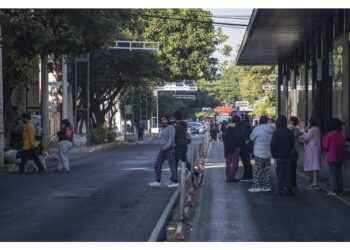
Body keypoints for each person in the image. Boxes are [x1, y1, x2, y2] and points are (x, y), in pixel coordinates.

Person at [173, 111, 203, 184]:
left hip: (179, 145)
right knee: (185, 162)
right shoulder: (183, 125)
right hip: (184, 144)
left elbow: (172, 136)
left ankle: (174, 181)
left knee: (174, 162)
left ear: (175, 117)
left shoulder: (177, 126)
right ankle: (197, 174)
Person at [149, 115, 178, 188]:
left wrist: (166, 146)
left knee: (172, 165)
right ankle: (157, 181)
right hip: (163, 149)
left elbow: (171, 139)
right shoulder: (163, 128)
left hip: (170, 148)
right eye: (161, 120)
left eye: (164, 119)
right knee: (157, 164)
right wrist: (162, 146)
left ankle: (175, 181)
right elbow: (162, 139)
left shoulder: (171, 127)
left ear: (167, 120)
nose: (163, 121)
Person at [248, 116, 275, 192]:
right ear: (266, 121)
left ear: (260, 121)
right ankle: (266, 186)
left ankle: (256, 186)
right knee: (267, 170)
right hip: (268, 152)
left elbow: (251, 138)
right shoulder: (271, 129)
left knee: (258, 170)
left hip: (259, 153)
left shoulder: (257, 129)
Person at [270, 115, 295, 196]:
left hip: (279, 156)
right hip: (288, 155)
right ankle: (289, 189)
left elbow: (273, 145)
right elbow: (292, 144)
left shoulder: (276, 132)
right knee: (288, 173)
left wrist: (274, 155)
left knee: (280, 173)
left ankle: (280, 189)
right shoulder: (289, 132)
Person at [322, 118, 346, 196]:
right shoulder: (340, 134)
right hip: (340, 155)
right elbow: (343, 144)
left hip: (331, 156)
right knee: (339, 173)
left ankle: (334, 190)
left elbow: (325, 145)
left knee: (333, 174)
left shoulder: (329, 134)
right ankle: (340, 189)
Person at [301, 116, 321, 189]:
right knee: (314, 166)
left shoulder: (312, 130)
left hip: (312, 150)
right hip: (316, 149)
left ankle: (314, 183)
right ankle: (314, 183)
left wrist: (305, 130)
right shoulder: (317, 129)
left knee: (313, 166)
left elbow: (306, 137)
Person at [224, 116, 243, 182]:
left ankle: (228, 178)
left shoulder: (227, 127)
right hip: (236, 146)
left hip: (228, 146)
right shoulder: (239, 127)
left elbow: (224, 136)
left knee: (228, 163)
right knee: (235, 163)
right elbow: (240, 137)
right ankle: (232, 178)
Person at [239, 115, 253, 181]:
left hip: (244, 145)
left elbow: (241, 134)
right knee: (246, 161)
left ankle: (248, 176)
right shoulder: (247, 125)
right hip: (246, 144)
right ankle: (247, 175)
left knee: (245, 161)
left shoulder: (243, 125)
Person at [288, 116, 300, 188]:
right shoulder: (294, 129)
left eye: (289, 120)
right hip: (294, 150)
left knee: (292, 167)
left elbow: (294, 136)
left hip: (293, 150)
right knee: (292, 167)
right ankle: (292, 182)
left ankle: (292, 182)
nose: (288, 121)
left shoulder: (295, 129)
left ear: (292, 122)